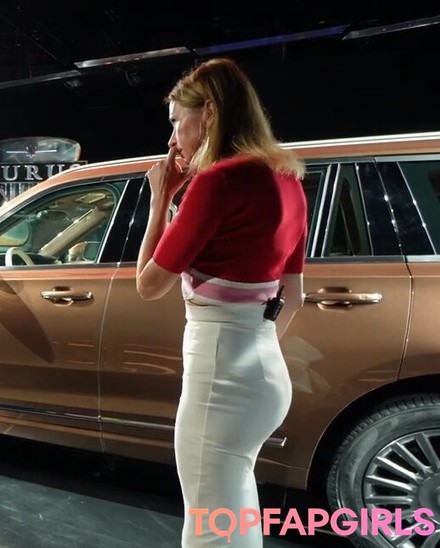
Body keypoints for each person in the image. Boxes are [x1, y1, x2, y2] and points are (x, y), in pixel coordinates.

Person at [134, 58, 307, 547]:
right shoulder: (287, 178)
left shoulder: (218, 181)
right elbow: (294, 296)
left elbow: (149, 284)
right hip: (266, 374)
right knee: (232, 513)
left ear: (208, 112)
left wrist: (160, 200)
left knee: (210, 524)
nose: (172, 138)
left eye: (176, 121)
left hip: (221, 379)